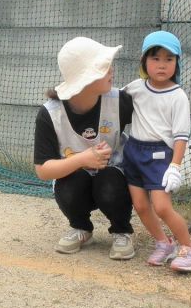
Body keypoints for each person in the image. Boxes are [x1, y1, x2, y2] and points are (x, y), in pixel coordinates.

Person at [34, 37, 135, 259]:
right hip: (76, 178)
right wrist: (83, 159)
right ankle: (80, 227)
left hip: (112, 177)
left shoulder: (121, 101)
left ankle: (121, 230)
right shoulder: (50, 113)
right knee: (69, 184)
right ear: (85, 79)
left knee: (109, 181)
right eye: (103, 67)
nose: (111, 70)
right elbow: (43, 169)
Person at [122, 31, 191, 272]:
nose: (162, 65)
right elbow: (112, 102)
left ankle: (189, 249)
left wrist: (175, 167)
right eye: (155, 58)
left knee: (162, 207)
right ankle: (163, 243)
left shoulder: (178, 96)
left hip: (159, 157)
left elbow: (181, 136)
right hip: (133, 151)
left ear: (177, 63)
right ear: (144, 61)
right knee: (141, 205)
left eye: (169, 59)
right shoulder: (135, 88)